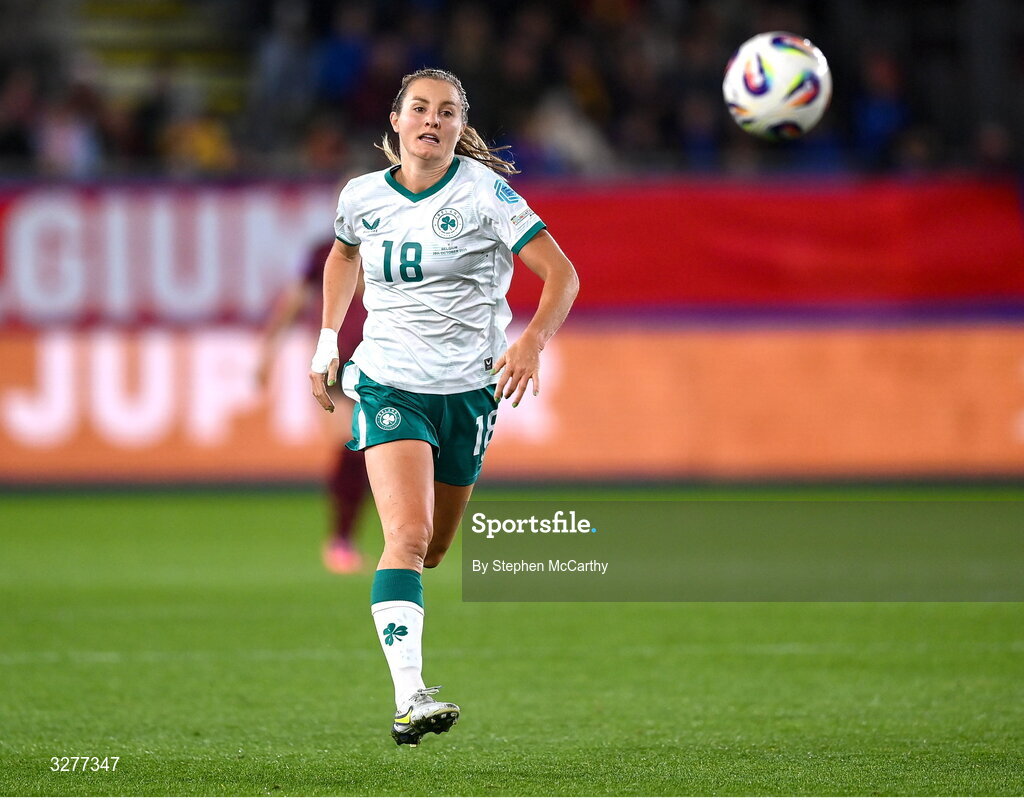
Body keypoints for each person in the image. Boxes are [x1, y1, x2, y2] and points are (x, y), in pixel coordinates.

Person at [308, 68, 578, 746]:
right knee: (404, 535)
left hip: (467, 392)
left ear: (461, 128)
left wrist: (531, 342)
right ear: (396, 121)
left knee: (431, 549)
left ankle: (410, 669)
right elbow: (343, 257)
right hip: (389, 383)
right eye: (420, 108)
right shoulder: (362, 196)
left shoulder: (487, 194)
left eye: (448, 111)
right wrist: (325, 339)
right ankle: (410, 695)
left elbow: (562, 273)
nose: (432, 120)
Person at [257, 237, 369, 574]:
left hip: (389, 368)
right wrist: (268, 352)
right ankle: (342, 539)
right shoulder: (327, 251)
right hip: (339, 366)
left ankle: (407, 537)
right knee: (354, 445)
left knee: (395, 452)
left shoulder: (401, 241)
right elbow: (294, 300)